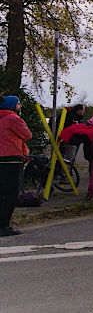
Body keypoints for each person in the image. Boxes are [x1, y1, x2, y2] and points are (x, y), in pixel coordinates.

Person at [0, 95, 31, 236]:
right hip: (12, 158)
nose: (20, 106)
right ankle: (4, 225)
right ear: (13, 106)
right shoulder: (13, 119)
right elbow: (27, 135)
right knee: (11, 193)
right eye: (18, 104)